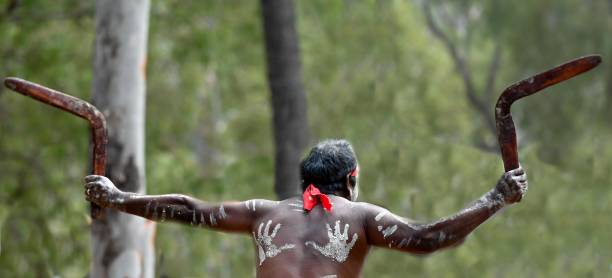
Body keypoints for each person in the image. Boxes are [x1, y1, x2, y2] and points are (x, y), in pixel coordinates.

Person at [84, 139, 527, 277]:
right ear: (351, 179)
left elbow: (189, 208)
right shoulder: (361, 217)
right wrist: (494, 198)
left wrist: (118, 197)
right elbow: (428, 238)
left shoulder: (263, 212)